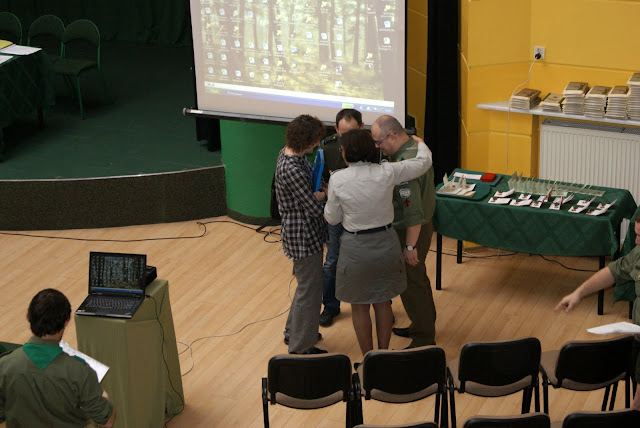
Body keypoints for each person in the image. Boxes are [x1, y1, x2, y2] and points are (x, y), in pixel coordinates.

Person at [324, 129, 432, 355]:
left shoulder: (338, 179)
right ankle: (384, 354)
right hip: (386, 243)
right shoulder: (387, 171)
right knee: (383, 302)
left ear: (346, 153)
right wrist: (420, 143)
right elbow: (423, 163)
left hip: (355, 248)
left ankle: (368, 358)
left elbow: (332, 218)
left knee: (359, 306)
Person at [555, 211, 640, 411]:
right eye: (637, 234)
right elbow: (613, 272)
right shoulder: (638, 253)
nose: (636, 241)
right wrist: (579, 293)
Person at [0, 288, 115, 427]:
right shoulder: (79, 371)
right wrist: (103, 395)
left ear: (28, 316)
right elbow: (107, 421)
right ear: (66, 321)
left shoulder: (4, 365)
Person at [371, 115, 437, 348]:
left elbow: (412, 213)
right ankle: (422, 325)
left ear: (392, 136)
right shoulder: (416, 147)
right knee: (417, 280)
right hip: (419, 226)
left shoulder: (404, 169)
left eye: (379, 142)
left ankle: (424, 339)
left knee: (412, 285)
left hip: (412, 231)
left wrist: (410, 247)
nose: (377, 147)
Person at [275, 114, 328, 354]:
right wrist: (324, 196)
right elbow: (314, 208)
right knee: (310, 292)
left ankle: (293, 332)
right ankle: (301, 347)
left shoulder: (289, 154)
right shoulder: (292, 169)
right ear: (304, 140)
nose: (316, 144)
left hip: (303, 234)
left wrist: (320, 190)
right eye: (314, 140)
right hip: (303, 237)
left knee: (305, 287)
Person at [318, 108, 365, 327]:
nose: (348, 138)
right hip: (337, 215)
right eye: (344, 133)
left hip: (363, 215)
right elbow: (320, 179)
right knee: (332, 262)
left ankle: (380, 304)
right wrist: (326, 190)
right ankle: (330, 306)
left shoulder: (372, 148)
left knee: (368, 262)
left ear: (362, 128)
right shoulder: (327, 148)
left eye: (353, 132)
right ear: (336, 129)